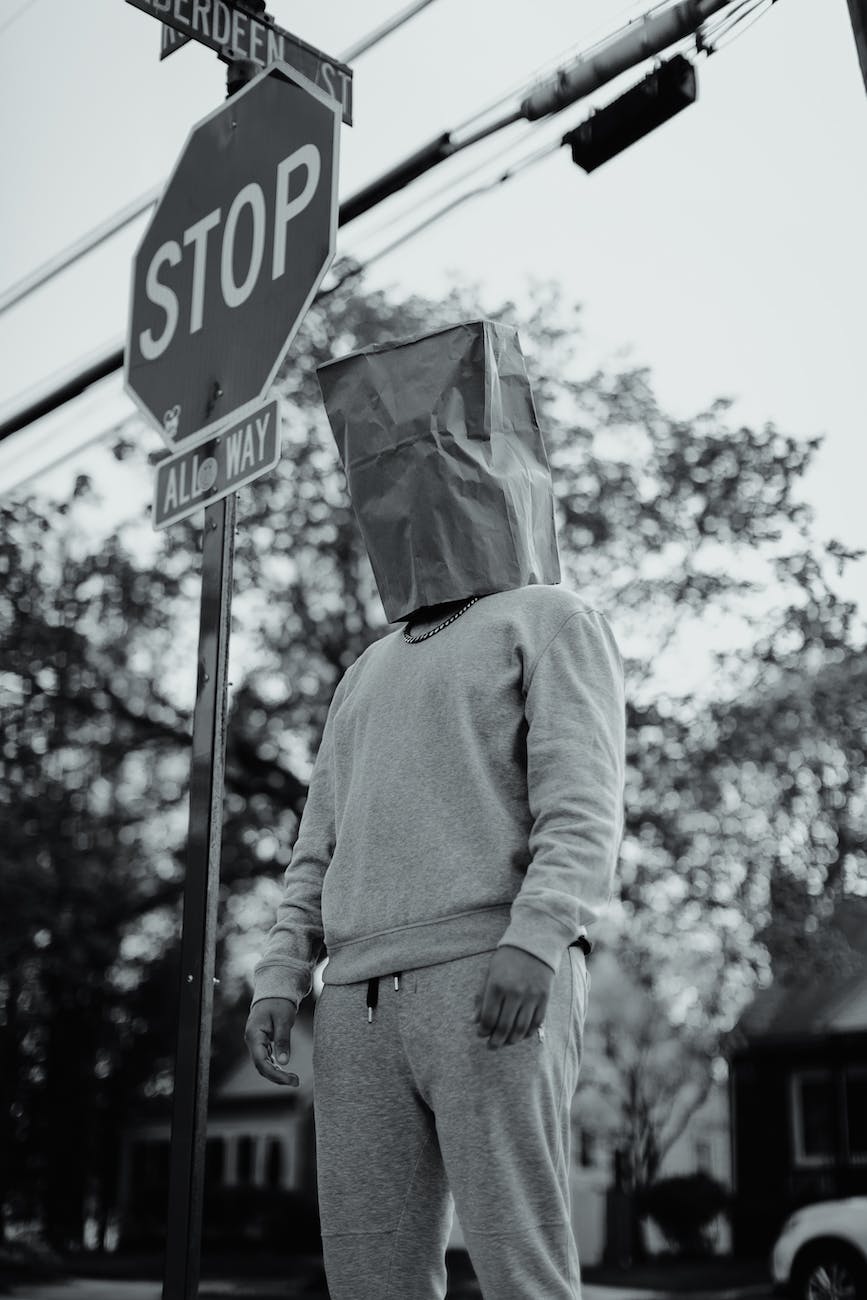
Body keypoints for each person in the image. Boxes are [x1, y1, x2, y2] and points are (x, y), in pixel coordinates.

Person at [245, 320, 626, 1299]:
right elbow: (315, 843)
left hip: (489, 973)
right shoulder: (365, 668)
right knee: (370, 1280)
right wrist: (281, 973)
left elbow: (582, 806)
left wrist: (538, 939)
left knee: (520, 1267)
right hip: (355, 999)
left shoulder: (552, 618)